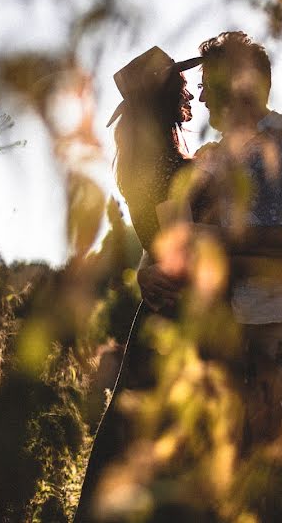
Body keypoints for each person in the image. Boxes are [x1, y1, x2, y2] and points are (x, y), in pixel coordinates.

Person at [138, 31, 282, 522]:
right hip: (233, 333)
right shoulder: (211, 162)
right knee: (254, 464)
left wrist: (228, 240)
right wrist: (145, 274)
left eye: (210, 82)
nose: (203, 94)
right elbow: (178, 234)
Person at [74, 46, 202, 523]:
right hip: (177, 313)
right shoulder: (166, 165)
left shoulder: (137, 161)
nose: (187, 93)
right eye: (179, 86)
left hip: (156, 311)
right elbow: (180, 246)